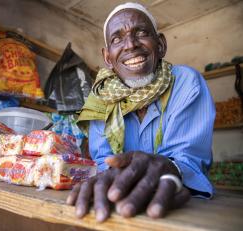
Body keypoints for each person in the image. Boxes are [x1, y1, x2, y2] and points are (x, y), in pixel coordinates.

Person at [66, 2, 215, 222]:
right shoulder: (99, 100)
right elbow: (104, 164)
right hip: (119, 211)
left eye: (142, 33)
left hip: (180, 211)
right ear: (108, 58)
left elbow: (187, 160)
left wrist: (171, 170)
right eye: (117, 39)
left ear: (161, 45)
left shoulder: (185, 82)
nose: (130, 45)